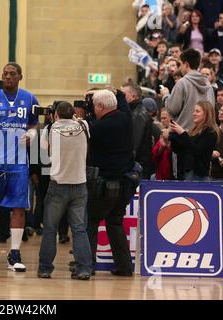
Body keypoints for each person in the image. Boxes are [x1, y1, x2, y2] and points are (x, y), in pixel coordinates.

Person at [0, 63, 38, 272]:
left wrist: (32, 134)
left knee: (19, 207)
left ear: (20, 77)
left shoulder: (29, 98)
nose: (7, 77)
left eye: (12, 74)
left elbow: (33, 123)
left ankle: (15, 252)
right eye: (4, 74)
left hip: (19, 163)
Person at [37, 101, 92, 280]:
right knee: (79, 229)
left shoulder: (50, 129)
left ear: (55, 115)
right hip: (79, 184)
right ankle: (84, 269)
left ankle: (45, 269)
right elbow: (79, 121)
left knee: (50, 229)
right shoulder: (84, 126)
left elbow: (43, 153)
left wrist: (50, 122)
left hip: (58, 185)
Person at [86, 89, 136, 277]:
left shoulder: (99, 127)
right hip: (125, 183)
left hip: (105, 184)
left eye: (95, 106)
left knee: (90, 222)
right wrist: (117, 92)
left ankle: (87, 264)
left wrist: (82, 116)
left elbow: (86, 132)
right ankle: (124, 267)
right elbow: (122, 103)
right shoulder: (126, 119)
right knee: (114, 223)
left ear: (100, 107)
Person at [161, 48, 215, 130]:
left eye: (181, 64)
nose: (180, 68)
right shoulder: (208, 84)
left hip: (184, 134)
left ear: (186, 64)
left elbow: (172, 110)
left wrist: (165, 95)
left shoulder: (182, 83)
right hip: (204, 134)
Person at [169, 101, 219, 181]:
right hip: (185, 173)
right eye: (194, 111)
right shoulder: (193, 130)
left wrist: (182, 133)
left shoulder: (210, 132)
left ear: (206, 114)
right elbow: (179, 150)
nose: (194, 114)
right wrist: (173, 135)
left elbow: (197, 150)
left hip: (198, 176)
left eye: (197, 111)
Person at [121, 83, 153, 179]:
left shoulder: (138, 115)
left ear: (133, 96)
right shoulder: (131, 111)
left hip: (137, 167)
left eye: (123, 94)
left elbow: (134, 143)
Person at [211, 104, 223, 180]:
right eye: (221, 110)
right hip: (212, 176)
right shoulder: (213, 132)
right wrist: (211, 153)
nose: (222, 113)